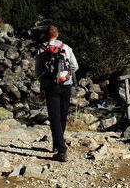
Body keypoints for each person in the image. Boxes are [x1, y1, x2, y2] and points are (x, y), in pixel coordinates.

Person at [35, 25, 78, 162]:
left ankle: (61, 149)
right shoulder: (66, 47)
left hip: (51, 86)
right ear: (57, 34)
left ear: (46, 35)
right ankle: (58, 143)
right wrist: (66, 76)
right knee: (62, 115)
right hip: (66, 84)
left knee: (54, 118)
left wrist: (43, 79)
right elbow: (75, 66)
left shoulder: (41, 49)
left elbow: (38, 70)